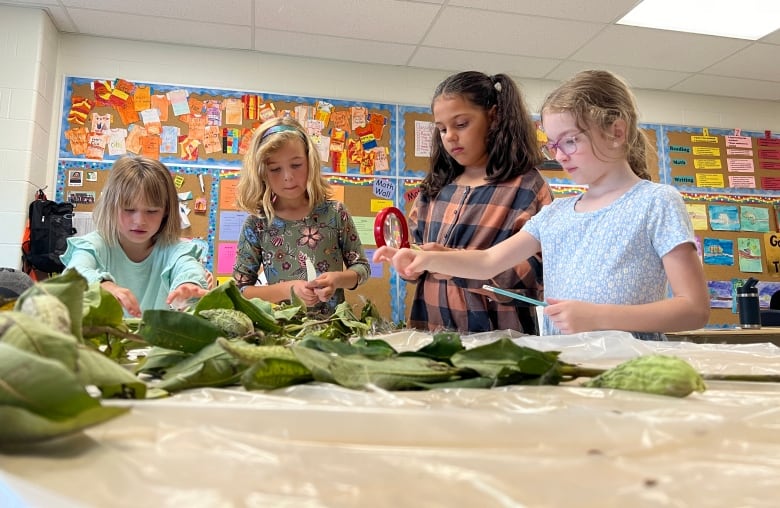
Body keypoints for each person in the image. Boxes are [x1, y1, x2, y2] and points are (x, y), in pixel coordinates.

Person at [375, 70, 710, 340]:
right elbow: (488, 261)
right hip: (566, 366)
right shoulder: (556, 213)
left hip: (629, 370)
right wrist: (423, 258)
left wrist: (599, 317)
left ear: (616, 132)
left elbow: (694, 309)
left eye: (571, 140)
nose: (560, 154)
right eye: (554, 144)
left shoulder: (657, 201)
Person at [403, 71, 553, 333]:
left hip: (500, 341)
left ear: (493, 117)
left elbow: (540, 272)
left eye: (461, 124)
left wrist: (456, 264)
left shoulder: (527, 186)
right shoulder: (434, 187)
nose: (449, 136)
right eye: (441, 129)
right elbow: (413, 246)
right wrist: (408, 265)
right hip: (431, 330)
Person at [232, 116, 370, 315]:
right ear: (262, 173)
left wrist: (337, 279)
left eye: (296, 165)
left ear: (310, 162)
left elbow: (362, 268)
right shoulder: (257, 224)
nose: (287, 176)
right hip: (281, 332)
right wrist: (287, 290)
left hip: (334, 331)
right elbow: (240, 290)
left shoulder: (335, 213)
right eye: (275, 169)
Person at [61, 156, 209, 317]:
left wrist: (188, 284)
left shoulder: (176, 250)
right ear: (111, 207)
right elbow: (73, 273)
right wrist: (103, 285)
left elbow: (188, 267)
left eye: (152, 211)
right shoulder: (94, 245)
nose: (139, 221)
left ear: (166, 211)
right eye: (129, 210)